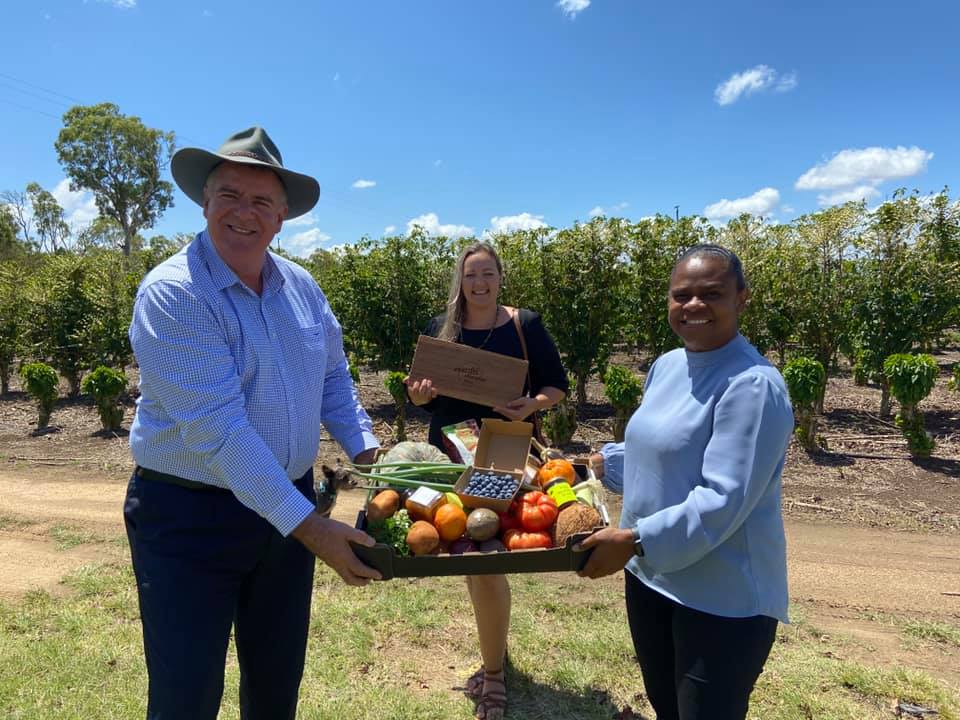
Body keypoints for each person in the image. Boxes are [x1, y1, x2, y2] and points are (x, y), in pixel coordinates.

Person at [124, 126, 382, 720]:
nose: (245, 213)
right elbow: (219, 433)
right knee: (186, 695)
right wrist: (314, 532)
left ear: (282, 215)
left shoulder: (302, 287)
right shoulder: (174, 293)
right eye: (229, 196)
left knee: (275, 684)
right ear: (204, 203)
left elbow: (334, 382)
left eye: (262, 200)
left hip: (287, 504)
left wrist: (374, 458)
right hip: (191, 517)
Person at [578, 244, 794, 720]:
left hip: (721, 598)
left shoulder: (752, 385)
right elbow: (653, 449)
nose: (694, 305)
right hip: (652, 578)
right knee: (666, 706)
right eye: (682, 295)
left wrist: (634, 541)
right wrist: (593, 466)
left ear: (741, 299)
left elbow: (724, 497)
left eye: (711, 293)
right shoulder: (668, 365)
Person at [405, 241, 568, 720]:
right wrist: (418, 398)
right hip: (450, 454)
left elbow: (555, 384)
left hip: (503, 452)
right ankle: (495, 653)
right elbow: (427, 401)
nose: (479, 283)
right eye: (470, 275)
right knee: (467, 551)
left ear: (500, 277)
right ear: (460, 279)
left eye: (487, 274)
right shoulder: (442, 329)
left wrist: (533, 404)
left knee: (484, 558)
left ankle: (494, 677)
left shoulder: (524, 325)